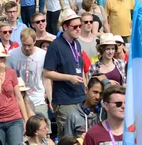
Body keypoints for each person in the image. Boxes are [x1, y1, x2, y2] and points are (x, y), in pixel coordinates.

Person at [43, 9, 87, 138]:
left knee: (81, 137)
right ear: (65, 27)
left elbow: (80, 67)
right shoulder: (55, 46)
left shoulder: (77, 43)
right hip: (64, 100)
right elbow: (47, 73)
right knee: (68, 138)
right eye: (75, 27)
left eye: (80, 26)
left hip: (80, 97)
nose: (78, 29)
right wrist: (69, 78)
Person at [0, 43, 29, 145]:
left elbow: (19, 97)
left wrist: (26, 119)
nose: (0, 61)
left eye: (2, 58)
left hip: (14, 118)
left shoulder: (11, 72)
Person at [7, 28, 51, 119]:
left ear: (35, 41)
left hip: (38, 100)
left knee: (44, 130)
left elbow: (46, 78)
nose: (27, 48)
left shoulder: (43, 55)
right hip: (19, 101)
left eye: (29, 45)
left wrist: (50, 98)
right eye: (24, 45)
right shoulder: (12, 55)